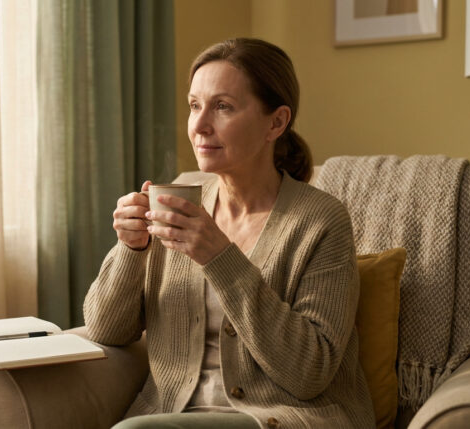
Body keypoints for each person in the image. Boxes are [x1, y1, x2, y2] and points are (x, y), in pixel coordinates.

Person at [84, 38, 375, 429]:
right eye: (194, 105)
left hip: (285, 418)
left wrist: (219, 257)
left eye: (222, 107)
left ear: (276, 122)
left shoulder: (321, 220)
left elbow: (310, 373)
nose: (200, 126)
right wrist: (130, 249)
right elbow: (105, 330)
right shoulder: (178, 201)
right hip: (173, 414)